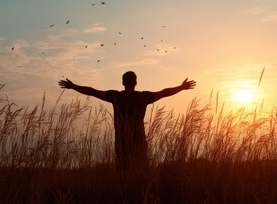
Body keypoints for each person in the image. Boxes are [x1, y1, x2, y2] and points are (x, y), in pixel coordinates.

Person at [58, 71, 196, 172]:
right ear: (136, 82)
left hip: (121, 142)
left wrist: (73, 86)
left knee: (122, 172)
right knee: (141, 171)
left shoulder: (115, 96)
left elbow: (92, 91)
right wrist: (181, 87)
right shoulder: (143, 97)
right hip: (139, 142)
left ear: (123, 83)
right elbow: (164, 92)